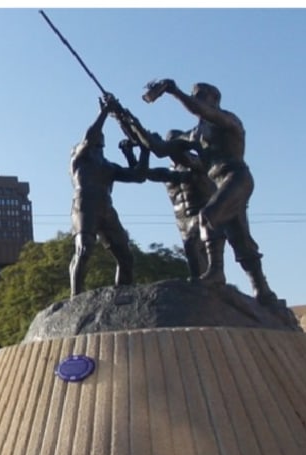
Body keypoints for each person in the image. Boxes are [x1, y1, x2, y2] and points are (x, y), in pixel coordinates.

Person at [111, 80, 278, 307]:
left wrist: (173, 90)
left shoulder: (227, 120)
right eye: (193, 94)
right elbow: (158, 148)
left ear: (214, 100)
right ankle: (264, 292)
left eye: (200, 95)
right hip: (220, 184)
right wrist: (127, 121)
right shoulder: (194, 135)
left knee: (208, 216)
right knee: (241, 240)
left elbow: (200, 110)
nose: (195, 98)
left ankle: (216, 273)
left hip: (237, 178)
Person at [69, 95, 146, 297]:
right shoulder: (79, 159)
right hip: (84, 207)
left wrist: (132, 153)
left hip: (106, 209)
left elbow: (138, 176)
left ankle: (123, 296)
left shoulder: (108, 166)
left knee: (126, 256)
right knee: (84, 250)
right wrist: (104, 112)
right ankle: (75, 297)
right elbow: (88, 138)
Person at [121, 130, 223, 279]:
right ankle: (203, 288)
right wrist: (135, 152)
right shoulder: (168, 171)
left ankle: (204, 285)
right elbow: (142, 174)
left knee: (193, 247)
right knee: (195, 259)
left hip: (202, 216)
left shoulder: (197, 163)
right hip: (182, 222)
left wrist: (151, 142)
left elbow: (187, 161)